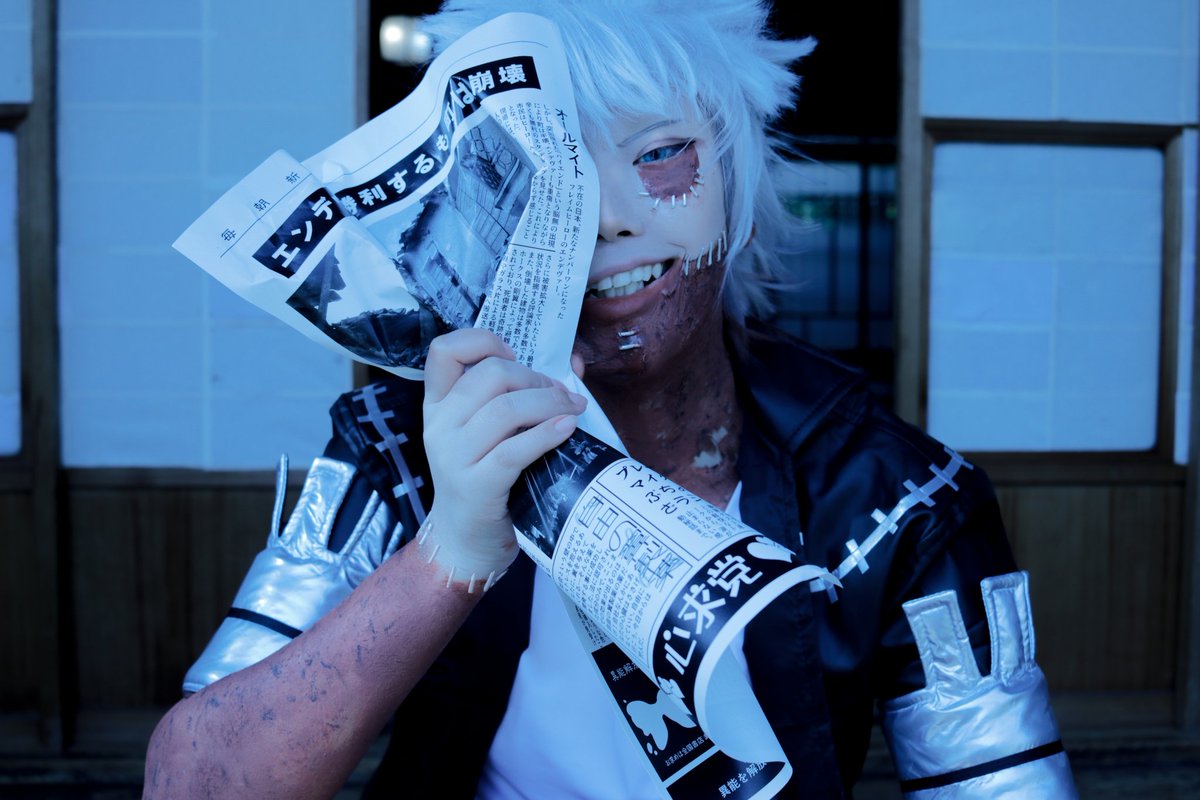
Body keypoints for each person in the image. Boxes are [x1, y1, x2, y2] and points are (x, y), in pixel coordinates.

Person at [143, 1, 1078, 798]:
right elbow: (192, 782)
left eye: (661, 154)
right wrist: (450, 553)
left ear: (736, 179)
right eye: (552, 174)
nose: (608, 218)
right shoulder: (397, 449)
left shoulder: (889, 495)